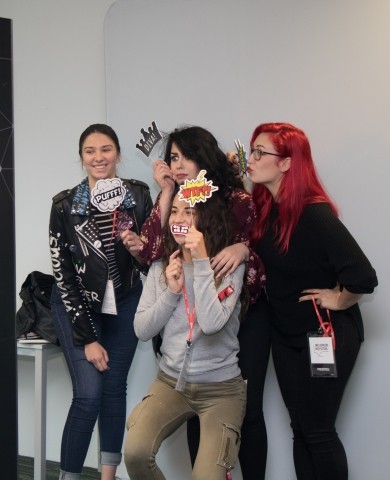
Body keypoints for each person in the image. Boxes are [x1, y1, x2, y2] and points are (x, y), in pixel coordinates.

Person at [122, 125, 269, 478]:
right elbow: (153, 253)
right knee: (144, 448)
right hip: (177, 366)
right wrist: (167, 193)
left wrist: (238, 250)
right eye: (173, 157)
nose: (179, 164)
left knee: (248, 416)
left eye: (186, 156)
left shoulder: (234, 206)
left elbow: (260, 255)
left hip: (234, 327)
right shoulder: (166, 258)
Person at [246, 122, 378, 479]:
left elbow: (363, 276)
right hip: (287, 335)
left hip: (326, 333)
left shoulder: (313, 212)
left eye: (260, 152)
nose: (251, 159)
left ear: (287, 163)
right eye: (251, 151)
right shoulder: (267, 208)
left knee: (318, 431)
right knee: (301, 428)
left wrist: (340, 299)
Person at [49, 123, 153, 480]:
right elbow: (63, 275)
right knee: (89, 394)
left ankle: (108, 476)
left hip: (125, 301)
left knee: (113, 389)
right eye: (90, 151)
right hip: (77, 305)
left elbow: (152, 261)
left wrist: (139, 250)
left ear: (118, 155)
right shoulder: (64, 206)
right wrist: (88, 338)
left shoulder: (137, 196)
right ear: (81, 158)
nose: (99, 157)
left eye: (106, 149)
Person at [124, 186, 247, 480]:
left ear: (207, 218)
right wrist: (171, 292)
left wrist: (201, 262)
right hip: (171, 383)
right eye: (175, 211)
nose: (179, 218)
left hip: (221, 390)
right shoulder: (162, 266)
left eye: (189, 212)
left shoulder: (229, 266)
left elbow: (212, 323)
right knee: (136, 453)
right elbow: (142, 330)